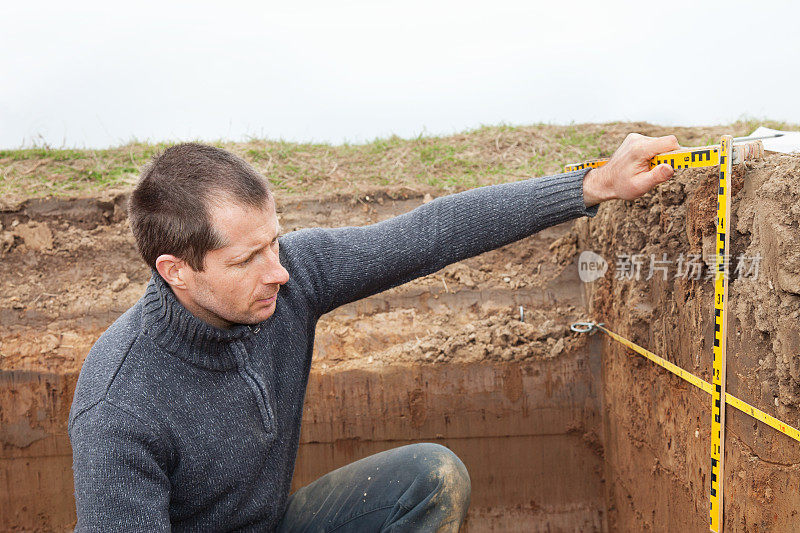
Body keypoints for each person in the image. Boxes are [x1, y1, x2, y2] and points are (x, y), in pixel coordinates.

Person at [68, 133, 679, 532]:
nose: (278, 271)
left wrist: (591, 186)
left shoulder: (290, 282)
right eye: (246, 258)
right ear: (175, 270)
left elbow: (429, 233)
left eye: (275, 242)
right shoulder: (119, 404)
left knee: (428, 478)